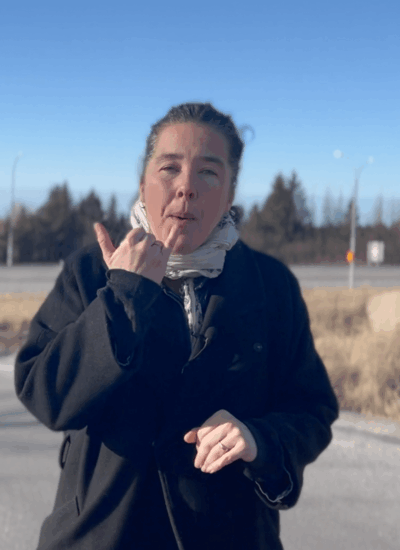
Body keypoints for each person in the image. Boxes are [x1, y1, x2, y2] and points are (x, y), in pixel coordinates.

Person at [15, 102, 339, 550]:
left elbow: (312, 409)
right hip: (105, 532)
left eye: (208, 172)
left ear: (230, 193)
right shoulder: (90, 273)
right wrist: (124, 294)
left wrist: (258, 438)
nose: (186, 187)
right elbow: (45, 393)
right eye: (169, 168)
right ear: (143, 184)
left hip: (232, 535)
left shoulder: (271, 284)